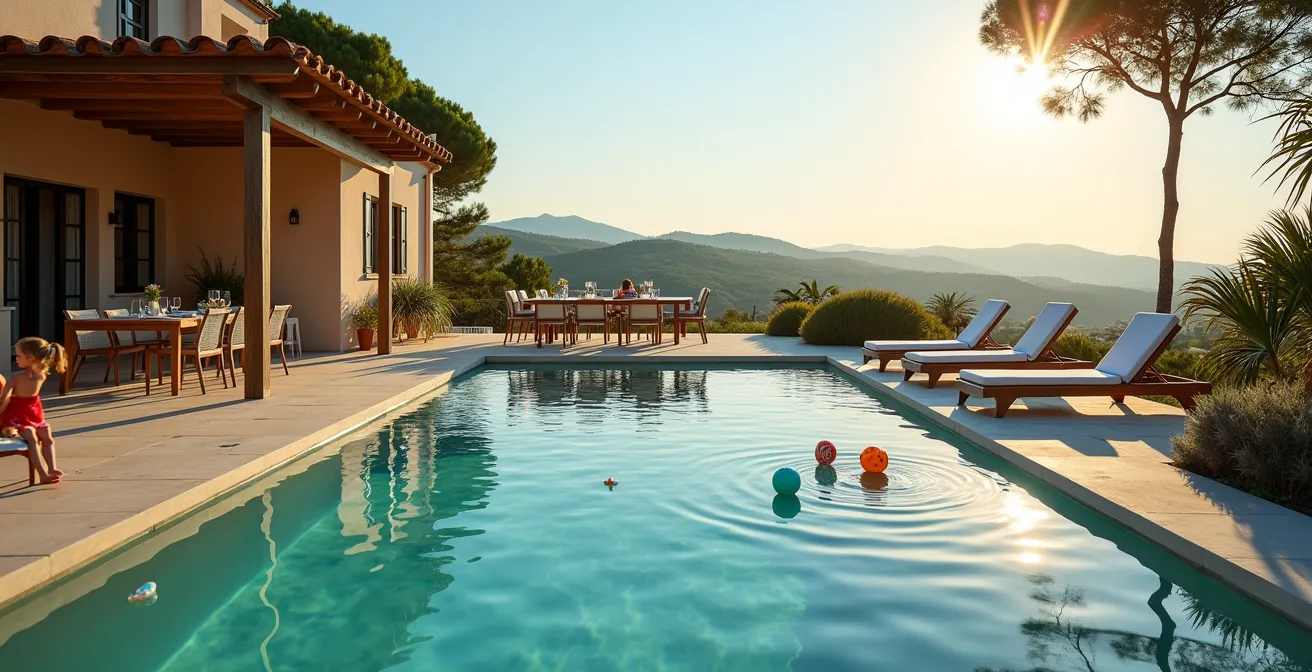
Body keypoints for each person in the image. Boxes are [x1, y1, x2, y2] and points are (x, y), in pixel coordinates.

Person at [0, 337, 67, 485]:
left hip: (31, 414)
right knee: (31, 435)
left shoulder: (35, 376)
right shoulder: (23, 377)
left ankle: (52, 468)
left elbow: (4, 398)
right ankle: (42, 473)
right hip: (13, 419)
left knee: (46, 433)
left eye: (18, 356)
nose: (16, 359)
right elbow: (3, 401)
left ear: (30, 358)